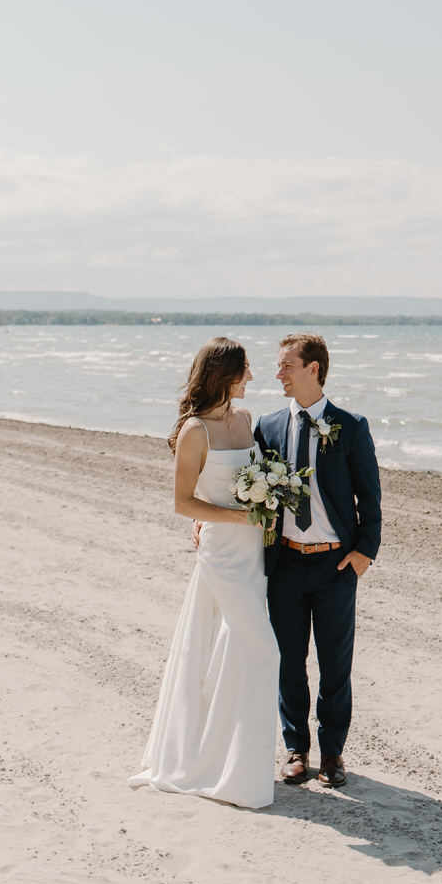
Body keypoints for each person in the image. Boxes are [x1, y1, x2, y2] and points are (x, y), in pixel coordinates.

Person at [129, 337, 280, 809]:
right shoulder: (195, 430)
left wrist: (266, 505)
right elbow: (183, 502)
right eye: (245, 371)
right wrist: (241, 517)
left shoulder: (246, 419)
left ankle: (232, 759)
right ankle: (222, 767)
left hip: (254, 553)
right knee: (263, 648)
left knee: (232, 653)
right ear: (225, 375)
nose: (252, 379)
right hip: (222, 553)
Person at [254, 332, 382, 789]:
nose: (279, 373)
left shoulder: (351, 425)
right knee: (288, 660)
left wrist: (365, 552)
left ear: (314, 369)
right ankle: (295, 749)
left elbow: (369, 495)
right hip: (285, 564)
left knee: (334, 665)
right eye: (280, 365)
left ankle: (332, 754)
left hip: (335, 566)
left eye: (287, 365)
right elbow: (252, 493)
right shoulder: (267, 427)